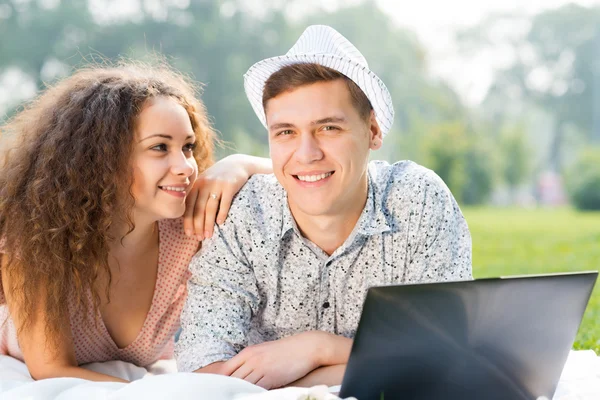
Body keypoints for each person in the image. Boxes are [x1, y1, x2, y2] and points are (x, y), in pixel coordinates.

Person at [176, 25, 473, 389]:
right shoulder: (242, 215)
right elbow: (201, 369)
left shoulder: (418, 200)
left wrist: (317, 349)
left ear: (374, 131)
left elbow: (446, 351)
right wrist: (382, 361)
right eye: (286, 132)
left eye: (329, 128)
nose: (307, 154)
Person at [0, 61, 271, 382]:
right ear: (101, 159)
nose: (185, 166)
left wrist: (240, 163)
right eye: (159, 147)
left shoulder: (190, 229)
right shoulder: (39, 240)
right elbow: (53, 370)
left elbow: (300, 177)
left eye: (187, 147)